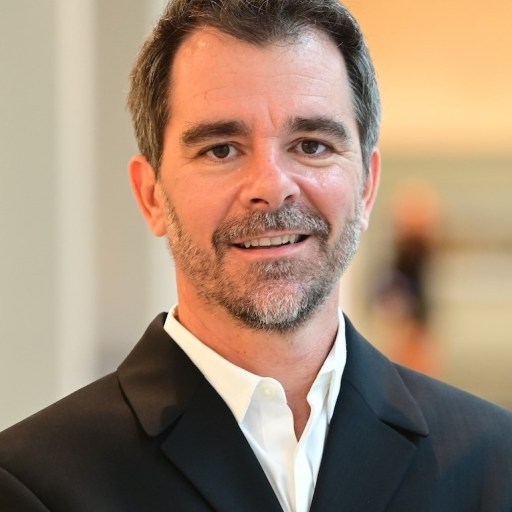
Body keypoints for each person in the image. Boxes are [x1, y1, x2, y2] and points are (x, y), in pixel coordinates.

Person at [0, 0, 511, 510]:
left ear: (367, 186)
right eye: (221, 149)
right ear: (152, 195)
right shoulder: (34, 482)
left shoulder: (494, 460)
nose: (272, 186)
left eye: (311, 145)